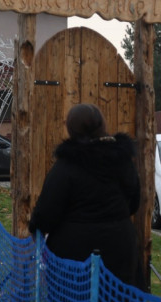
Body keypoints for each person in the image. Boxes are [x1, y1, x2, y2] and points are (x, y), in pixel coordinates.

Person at [29, 103, 140, 283]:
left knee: (78, 300)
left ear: (72, 129)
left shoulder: (66, 166)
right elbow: (134, 202)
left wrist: (35, 227)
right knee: (116, 298)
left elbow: (46, 212)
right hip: (120, 249)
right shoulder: (123, 161)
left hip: (75, 254)